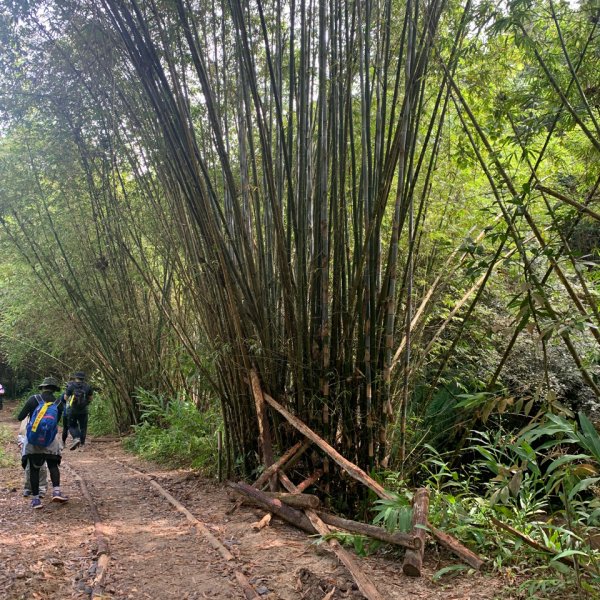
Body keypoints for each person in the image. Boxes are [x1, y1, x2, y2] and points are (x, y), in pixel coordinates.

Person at [16, 376, 68, 508]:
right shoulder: (58, 403)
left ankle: (35, 500)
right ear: (54, 389)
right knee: (53, 465)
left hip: (33, 440)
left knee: (34, 468)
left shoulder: (33, 399)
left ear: (43, 387)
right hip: (50, 440)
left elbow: (20, 417)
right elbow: (56, 422)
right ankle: (56, 491)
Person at [17, 418, 48, 497]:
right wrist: (21, 441)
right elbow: (22, 431)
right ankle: (28, 487)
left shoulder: (46, 413)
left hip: (41, 442)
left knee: (42, 467)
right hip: (27, 443)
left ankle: (42, 488)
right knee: (28, 467)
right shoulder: (27, 417)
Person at [65, 371, 93, 450]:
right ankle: (82, 443)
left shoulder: (71, 386)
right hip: (83, 410)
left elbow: (65, 398)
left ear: (75, 377)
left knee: (71, 425)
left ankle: (76, 438)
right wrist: (85, 403)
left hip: (73, 410)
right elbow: (91, 398)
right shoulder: (87, 386)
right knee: (83, 427)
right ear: (83, 378)